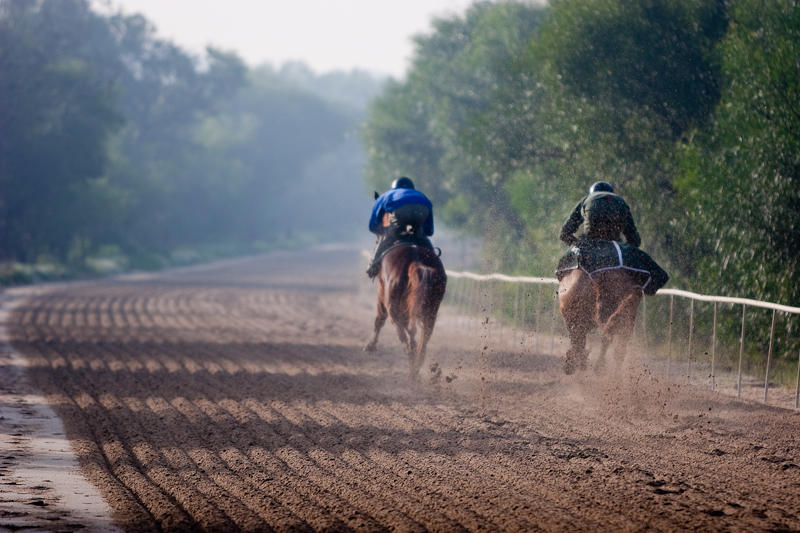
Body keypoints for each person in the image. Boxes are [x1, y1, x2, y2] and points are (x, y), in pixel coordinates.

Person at [366, 177, 434, 278]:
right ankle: (434, 262)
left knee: (388, 238)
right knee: (423, 239)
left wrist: (383, 232)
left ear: (394, 187)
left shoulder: (387, 195)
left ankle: (373, 266)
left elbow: (373, 224)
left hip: (399, 211)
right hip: (421, 210)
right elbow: (429, 231)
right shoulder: (421, 196)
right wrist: (421, 235)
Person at [559, 181, 641, 247]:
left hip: (591, 238)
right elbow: (634, 240)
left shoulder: (587, 199)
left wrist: (578, 245)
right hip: (614, 240)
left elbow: (565, 233)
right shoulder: (620, 201)